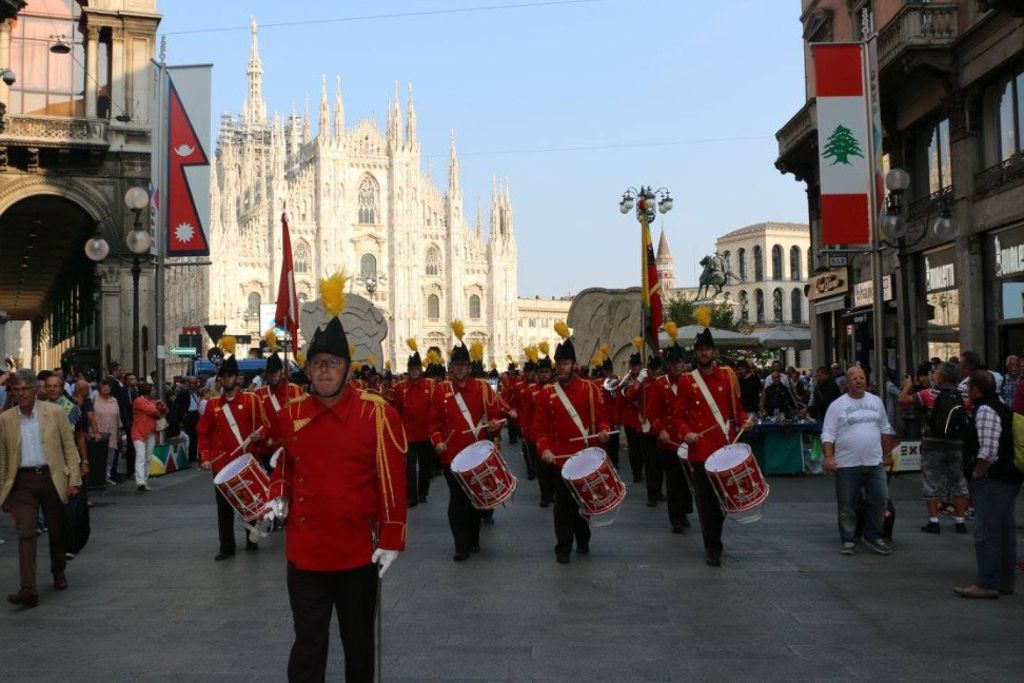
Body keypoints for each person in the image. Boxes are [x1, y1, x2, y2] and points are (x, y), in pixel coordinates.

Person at [259, 284, 407, 681]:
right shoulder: (292, 414)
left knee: (358, 645)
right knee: (307, 644)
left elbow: (392, 482)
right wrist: (277, 496)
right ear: (307, 370)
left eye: (333, 363)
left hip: (357, 553)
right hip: (305, 554)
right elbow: (286, 465)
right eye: (317, 363)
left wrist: (391, 539)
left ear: (348, 368)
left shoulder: (376, 416)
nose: (324, 370)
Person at [670, 324, 753, 567]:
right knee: (706, 503)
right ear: (695, 353)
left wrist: (745, 420)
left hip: (725, 448)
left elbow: (736, 409)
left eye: (707, 349)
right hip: (700, 452)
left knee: (724, 501)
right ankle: (713, 547)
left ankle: (715, 534)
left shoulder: (727, 376)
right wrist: (686, 433)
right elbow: (678, 416)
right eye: (700, 350)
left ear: (713, 351)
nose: (704, 353)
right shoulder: (687, 381)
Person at [0, 370, 82, 608]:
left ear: (36, 390)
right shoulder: (6, 420)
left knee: (57, 530)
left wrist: (74, 480)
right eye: (16, 390)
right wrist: (4, 492)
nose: (21, 394)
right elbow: (3, 460)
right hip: (22, 483)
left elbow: (69, 447)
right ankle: (28, 589)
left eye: (26, 389)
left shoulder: (54, 413)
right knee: (26, 532)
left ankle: (58, 571)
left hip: (51, 478)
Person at [534, 324, 610, 564]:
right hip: (559, 458)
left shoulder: (589, 389)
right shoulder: (547, 394)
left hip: (584, 458)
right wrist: (544, 448)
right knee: (563, 505)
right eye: (559, 364)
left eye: (565, 364)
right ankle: (563, 547)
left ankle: (583, 537)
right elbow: (539, 427)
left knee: (583, 503)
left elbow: (603, 418)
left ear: (574, 365)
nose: (561, 368)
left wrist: (605, 431)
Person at [428, 322, 502, 561]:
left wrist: (494, 425)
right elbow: (433, 423)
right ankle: (461, 545)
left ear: (469, 367)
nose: (459, 369)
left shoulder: (482, 390)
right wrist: (438, 441)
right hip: (452, 456)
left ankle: (473, 538)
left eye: (463, 365)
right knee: (458, 500)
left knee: (475, 500)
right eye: (456, 365)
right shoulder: (441, 392)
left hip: (477, 456)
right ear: (451, 367)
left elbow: (494, 417)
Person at [954, 371, 1023, 599]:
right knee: (1004, 531)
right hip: (1008, 478)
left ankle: (987, 582)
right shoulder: (1002, 406)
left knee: (987, 532)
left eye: (969, 387)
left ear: (976, 390)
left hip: (993, 479)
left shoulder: (985, 410)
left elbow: (989, 450)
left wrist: (977, 474)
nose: (966, 391)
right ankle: (1005, 581)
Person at [198, 354, 269, 559]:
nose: (226, 380)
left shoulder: (251, 400)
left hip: (244, 462)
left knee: (249, 503)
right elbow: (203, 432)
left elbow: (264, 425)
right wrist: (205, 456)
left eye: (230, 376)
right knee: (224, 509)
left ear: (238, 378)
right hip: (221, 465)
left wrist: (259, 435)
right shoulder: (212, 405)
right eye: (223, 376)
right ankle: (226, 547)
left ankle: (251, 539)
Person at [821, 367, 896, 556]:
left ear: (866, 381)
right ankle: (848, 540)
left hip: (874, 462)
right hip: (847, 464)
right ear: (847, 383)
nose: (858, 381)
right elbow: (828, 432)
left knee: (880, 499)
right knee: (847, 505)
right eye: (854, 378)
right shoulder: (837, 405)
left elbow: (884, 428)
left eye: (862, 378)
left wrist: (887, 453)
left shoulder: (876, 401)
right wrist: (829, 457)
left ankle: (873, 536)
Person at [899, 362, 969, 534]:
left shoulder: (930, 394)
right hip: (956, 444)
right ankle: (960, 521)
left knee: (931, 481)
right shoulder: (965, 396)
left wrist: (907, 387)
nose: (934, 375)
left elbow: (903, 401)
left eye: (937, 373)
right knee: (959, 482)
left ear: (942, 377)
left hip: (932, 444)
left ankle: (934, 521)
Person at [649, 327, 692, 534]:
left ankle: (684, 512)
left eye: (680, 363)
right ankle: (676, 518)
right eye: (674, 364)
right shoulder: (659, 385)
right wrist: (660, 430)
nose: (678, 367)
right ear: (668, 365)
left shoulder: (690, 383)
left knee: (687, 480)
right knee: (674, 480)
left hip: (687, 440)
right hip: (668, 442)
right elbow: (652, 412)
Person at [392, 339, 436, 506]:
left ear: (421, 370)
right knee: (409, 468)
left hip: (425, 434)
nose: (414, 372)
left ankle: (423, 492)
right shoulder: (400, 388)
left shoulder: (430, 386)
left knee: (425, 467)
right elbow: (396, 410)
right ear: (409, 371)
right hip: (408, 435)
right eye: (412, 369)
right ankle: (412, 496)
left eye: (417, 369)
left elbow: (434, 409)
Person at [255, 348, 304, 472]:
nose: (273, 376)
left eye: (275, 372)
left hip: (292, 447)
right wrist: (263, 438)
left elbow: (303, 417)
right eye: (270, 373)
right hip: (269, 449)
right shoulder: (259, 394)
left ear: (282, 371)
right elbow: (258, 422)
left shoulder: (295, 390)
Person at [131, 384, 166, 492]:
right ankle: (140, 481)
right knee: (141, 456)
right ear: (148, 391)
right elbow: (153, 411)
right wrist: (159, 407)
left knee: (148, 457)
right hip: (139, 433)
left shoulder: (153, 402)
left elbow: (164, 411)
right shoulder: (139, 401)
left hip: (150, 432)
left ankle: (144, 481)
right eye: (153, 389)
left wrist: (162, 407)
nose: (155, 391)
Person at [93, 379, 122, 486]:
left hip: (112, 431)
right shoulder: (94, 398)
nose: (106, 389)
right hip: (98, 431)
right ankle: (98, 478)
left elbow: (118, 416)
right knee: (98, 455)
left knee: (110, 455)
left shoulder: (114, 400)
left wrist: (119, 430)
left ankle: (107, 476)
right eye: (104, 386)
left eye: (108, 387)